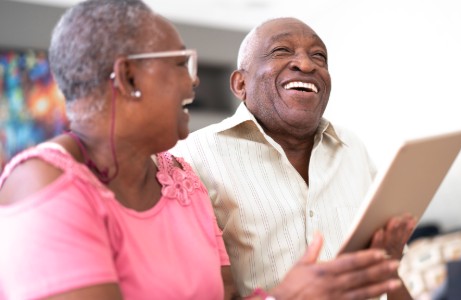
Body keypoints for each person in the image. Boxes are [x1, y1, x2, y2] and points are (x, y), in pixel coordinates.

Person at [0, 1, 405, 300]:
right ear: (127, 77)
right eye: (180, 65)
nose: (193, 83)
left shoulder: (181, 181)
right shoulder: (42, 182)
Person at [171, 17, 417, 299]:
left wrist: (387, 265)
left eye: (319, 56)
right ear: (241, 84)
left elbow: (388, 278)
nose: (307, 64)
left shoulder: (354, 148)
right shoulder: (190, 158)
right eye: (281, 51)